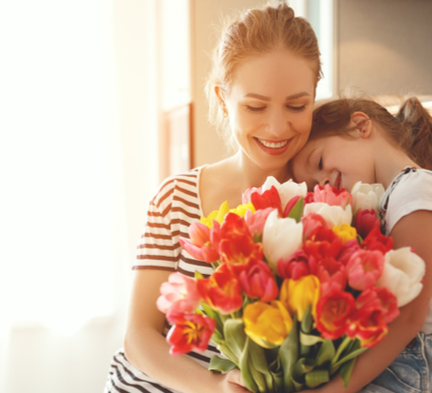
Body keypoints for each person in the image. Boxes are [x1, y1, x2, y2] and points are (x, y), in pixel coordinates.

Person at [105, 4, 321, 393]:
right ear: (223, 99)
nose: (276, 126)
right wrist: (216, 387)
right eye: (255, 106)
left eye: (297, 106)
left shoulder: (328, 207)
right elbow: (138, 335)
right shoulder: (175, 198)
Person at [290, 96, 432, 393]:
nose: (322, 184)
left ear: (361, 125)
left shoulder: (417, 190)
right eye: (313, 185)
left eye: (319, 162)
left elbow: (408, 319)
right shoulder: (392, 201)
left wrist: (334, 389)